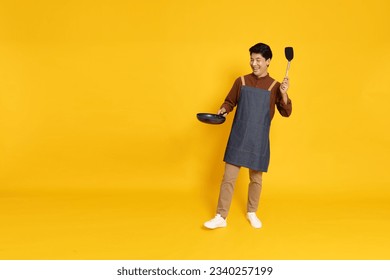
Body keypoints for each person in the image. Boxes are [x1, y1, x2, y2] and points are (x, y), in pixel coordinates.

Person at [204, 42, 292, 229]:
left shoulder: (276, 86)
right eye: (252, 60)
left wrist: (284, 95)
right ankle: (221, 216)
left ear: (268, 61)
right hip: (238, 136)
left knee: (256, 179)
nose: (254, 64)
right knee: (228, 178)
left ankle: (252, 212)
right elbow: (229, 101)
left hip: (258, 140)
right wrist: (224, 110)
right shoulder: (241, 81)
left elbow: (286, 112)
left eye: (258, 60)